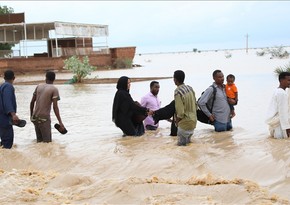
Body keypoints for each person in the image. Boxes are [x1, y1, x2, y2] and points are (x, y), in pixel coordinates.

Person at [30, 71, 65, 143]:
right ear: (54, 79)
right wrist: (60, 122)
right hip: (44, 119)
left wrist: (31, 116)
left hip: (35, 117)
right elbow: (55, 107)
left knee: (39, 142)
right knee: (47, 143)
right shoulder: (54, 89)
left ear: (46, 78)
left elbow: (32, 102)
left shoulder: (39, 86)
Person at [265, 72, 290, 139]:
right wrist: (287, 128)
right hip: (279, 124)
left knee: (276, 144)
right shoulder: (282, 94)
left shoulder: (277, 91)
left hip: (275, 122)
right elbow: (283, 112)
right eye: (288, 80)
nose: (289, 82)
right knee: (282, 143)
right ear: (281, 80)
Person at [0, 70, 21, 149]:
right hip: (5, 119)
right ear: (14, 78)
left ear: (4, 77)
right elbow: (7, 101)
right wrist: (13, 114)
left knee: (3, 143)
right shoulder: (8, 87)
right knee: (8, 144)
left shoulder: (2, 86)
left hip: (1, 119)